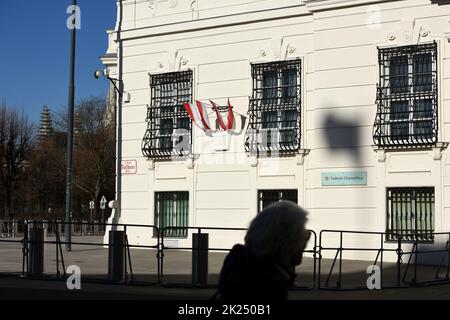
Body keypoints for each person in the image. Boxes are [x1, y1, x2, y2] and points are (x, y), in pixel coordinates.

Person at [217, 200, 310, 301]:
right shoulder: (266, 284)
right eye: (302, 233)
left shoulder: (241, 263)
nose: (307, 237)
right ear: (284, 241)